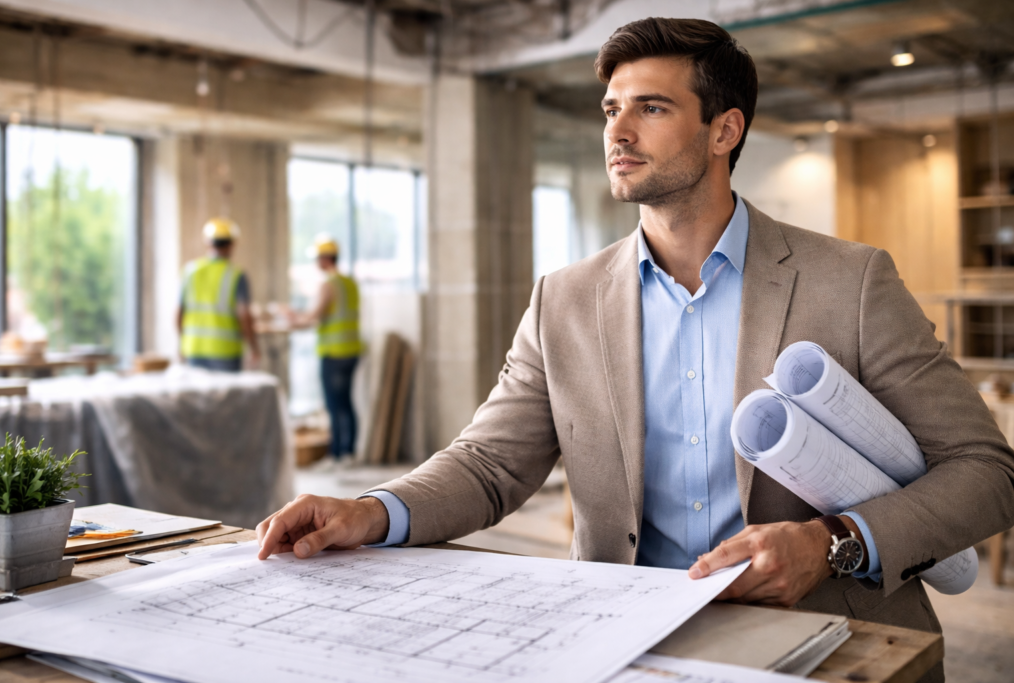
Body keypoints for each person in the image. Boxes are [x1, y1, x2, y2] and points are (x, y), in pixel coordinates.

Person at [257, 19, 1014, 681]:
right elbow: (490, 463)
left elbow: (986, 471)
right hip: (627, 642)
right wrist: (367, 510)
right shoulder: (565, 297)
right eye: (612, 109)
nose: (618, 132)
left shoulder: (849, 281)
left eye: (651, 108)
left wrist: (834, 543)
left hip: (835, 636)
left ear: (725, 130)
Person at [293, 236, 363, 463]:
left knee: (334, 405)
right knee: (347, 402)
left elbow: (315, 316)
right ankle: (349, 452)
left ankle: (336, 455)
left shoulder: (328, 284)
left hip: (334, 352)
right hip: (352, 350)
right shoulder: (349, 283)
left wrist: (293, 319)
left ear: (324, 259)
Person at [177, 217, 259, 372]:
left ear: (207, 242)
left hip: (194, 348)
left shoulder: (189, 272)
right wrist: (254, 347)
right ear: (232, 244)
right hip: (225, 352)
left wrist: (181, 344)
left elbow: (179, 313)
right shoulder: (236, 275)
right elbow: (244, 316)